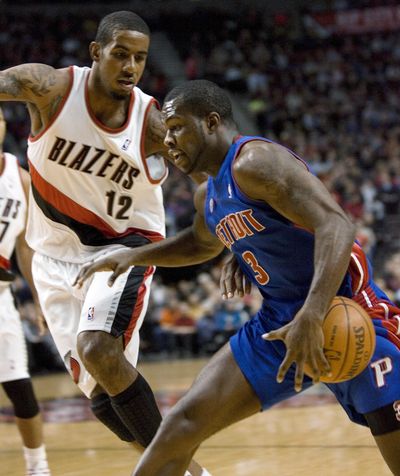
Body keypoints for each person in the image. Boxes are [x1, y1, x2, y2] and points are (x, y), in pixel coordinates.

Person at [75, 80, 400, 476]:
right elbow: (200, 244)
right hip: (278, 326)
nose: (168, 139)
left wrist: (312, 316)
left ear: (211, 122)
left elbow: (336, 225)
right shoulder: (207, 194)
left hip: (349, 314)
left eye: (177, 126)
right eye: (165, 129)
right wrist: (133, 256)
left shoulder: (254, 162)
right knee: (180, 426)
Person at [0, 12, 206, 475]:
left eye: (140, 58)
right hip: (51, 259)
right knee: (104, 402)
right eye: (120, 55)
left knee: (98, 350)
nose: (131, 66)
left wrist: (226, 229)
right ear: (96, 53)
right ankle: (194, 473)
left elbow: (207, 175)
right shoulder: (49, 89)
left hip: (124, 251)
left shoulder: (154, 123)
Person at [0, 107, 51, 475]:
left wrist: (38, 299)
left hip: (2, 297)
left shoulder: (19, 179)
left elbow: (25, 248)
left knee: (20, 386)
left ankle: (38, 467)